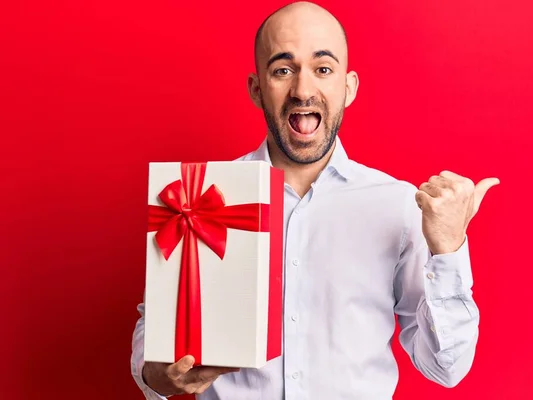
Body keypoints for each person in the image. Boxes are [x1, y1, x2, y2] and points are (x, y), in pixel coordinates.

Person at [131, 1, 499, 399]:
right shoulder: (198, 197)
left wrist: (449, 249)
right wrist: (156, 377)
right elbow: (157, 328)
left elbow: (445, 367)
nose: (303, 90)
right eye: (282, 70)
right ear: (257, 90)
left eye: (323, 69)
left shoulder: (398, 205)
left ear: (349, 86)